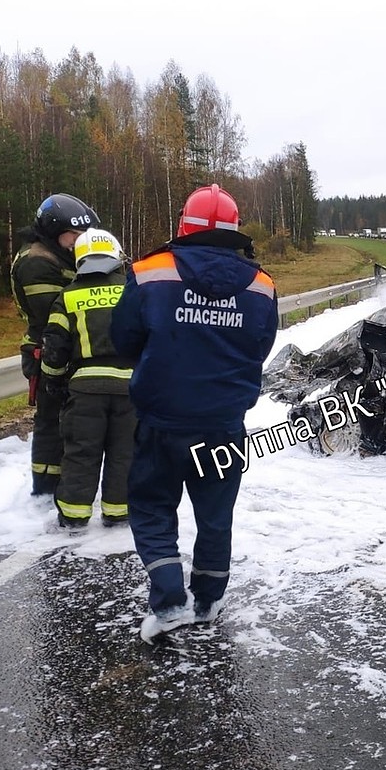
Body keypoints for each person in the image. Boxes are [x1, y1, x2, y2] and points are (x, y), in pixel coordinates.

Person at [111, 184, 278, 644]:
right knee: (215, 515)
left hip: (161, 422)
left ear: (183, 225)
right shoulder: (262, 285)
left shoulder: (150, 273)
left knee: (151, 509)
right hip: (223, 426)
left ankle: (168, 602)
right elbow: (260, 348)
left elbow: (123, 340)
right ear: (236, 229)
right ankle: (207, 600)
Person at [40, 228, 136, 531]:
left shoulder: (67, 296)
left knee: (81, 453)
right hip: (130, 390)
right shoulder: (133, 290)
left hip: (84, 391)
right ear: (116, 256)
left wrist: (53, 381)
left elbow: (54, 348)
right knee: (125, 453)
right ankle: (119, 513)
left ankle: (74, 516)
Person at [10, 193, 101, 495]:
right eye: (73, 236)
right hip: (46, 351)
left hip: (64, 349)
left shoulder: (60, 257)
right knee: (51, 423)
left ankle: (61, 484)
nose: (79, 242)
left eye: (83, 236)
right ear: (52, 232)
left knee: (68, 421)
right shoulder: (37, 262)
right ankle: (46, 488)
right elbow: (55, 312)